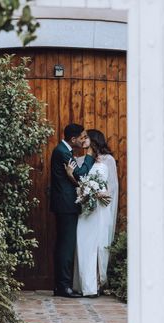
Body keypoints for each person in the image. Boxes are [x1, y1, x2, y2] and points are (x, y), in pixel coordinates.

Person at [66, 129, 119, 297]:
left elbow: (112, 185)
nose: (83, 140)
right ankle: (85, 284)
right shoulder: (81, 159)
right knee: (84, 243)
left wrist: (106, 194)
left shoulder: (108, 160)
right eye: (82, 137)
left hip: (101, 207)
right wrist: (70, 175)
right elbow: (79, 183)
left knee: (99, 244)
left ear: (94, 140)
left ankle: (96, 284)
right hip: (86, 208)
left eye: (86, 137)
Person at [50, 124, 95, 298]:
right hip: (66, 204)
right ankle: (63, 287)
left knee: (64, 244)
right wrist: (89, 156)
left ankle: (61, 285)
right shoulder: (63, 152)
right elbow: (81, 175)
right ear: (73, 139)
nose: (84, 140)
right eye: (82, 137)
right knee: (66, 246)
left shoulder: (64, 150)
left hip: (64, 204)